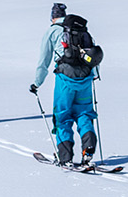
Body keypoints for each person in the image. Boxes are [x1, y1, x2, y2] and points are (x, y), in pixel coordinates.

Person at [41, 12, 102, 167]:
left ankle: (65, 157)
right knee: (84, 114)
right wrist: (94, 75)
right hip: (86, 80)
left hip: (65, 81)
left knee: (63, 117)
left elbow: (44, 59)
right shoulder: (85, 34)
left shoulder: (55, 32)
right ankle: (88, 150)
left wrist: (36, 83)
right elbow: (94, 57)